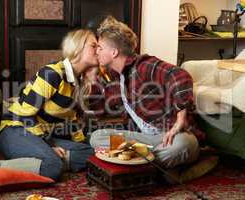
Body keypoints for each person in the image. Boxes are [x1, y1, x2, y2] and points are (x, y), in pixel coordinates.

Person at [0, 29, 98, 181]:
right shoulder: (52, 74)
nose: (98, 50)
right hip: (16, 130)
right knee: (53, 167)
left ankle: (35, 163)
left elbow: (71, 120)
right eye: (94, 45)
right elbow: (24, 114)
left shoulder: (76, 81)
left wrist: (81, 143)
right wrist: (49, 146)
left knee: (90, 154)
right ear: (78, 47)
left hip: (41, 135)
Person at [88, 16, 205, 169]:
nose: (96, 52)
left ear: (114, 52)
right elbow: (100, 111)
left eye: (100, 48)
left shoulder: (143, 66)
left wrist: (180, 120)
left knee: (184, 145)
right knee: (97, 137)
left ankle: (133, 164)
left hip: (172, 137)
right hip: (145, 140)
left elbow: (181, 76)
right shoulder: (115, 77)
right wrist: (92, 80)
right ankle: (143, 163)